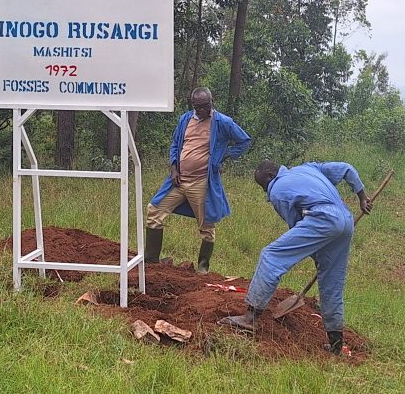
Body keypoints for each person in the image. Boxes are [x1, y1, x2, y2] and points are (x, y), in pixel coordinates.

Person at [219, 160, 372, 355]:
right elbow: (346, 169)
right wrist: (362, 197)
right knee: (332, 281)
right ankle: (335, 344)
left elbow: (296, 225)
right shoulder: (308, 168)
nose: (266, 191)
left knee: (272, 256)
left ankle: (250, 318)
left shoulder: (277, 191)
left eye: (263, 186)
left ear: (269, 177)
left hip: (323, 219)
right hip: (345, 221)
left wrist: (314, 252)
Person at [145, 87, 251, 274]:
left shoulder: (222, 122)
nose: (202, 110)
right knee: (154, 210)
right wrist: (174, 167)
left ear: (211, 101)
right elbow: (175, 144)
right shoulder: (185, 119)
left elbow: (244, 141)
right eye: (198, 107)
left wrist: (224, 156)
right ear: (192, 105)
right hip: (178, 181)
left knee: (207, 224)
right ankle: (151, 260)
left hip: (202, 182)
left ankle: (202, 268)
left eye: (205, 106)